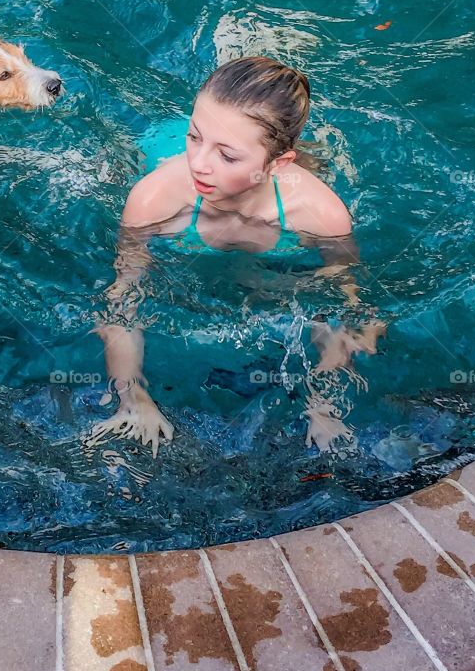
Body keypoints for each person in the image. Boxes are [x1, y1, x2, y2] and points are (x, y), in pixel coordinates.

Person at [90, 56, 384, 456]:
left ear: (277, 163)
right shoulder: (153, 199)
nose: (199, 163)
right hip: (157, 146)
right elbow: (122, 301)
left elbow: (348, 305)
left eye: (226, 157)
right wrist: (132, 399)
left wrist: (324, 405)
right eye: (195, 138)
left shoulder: (320, 216)